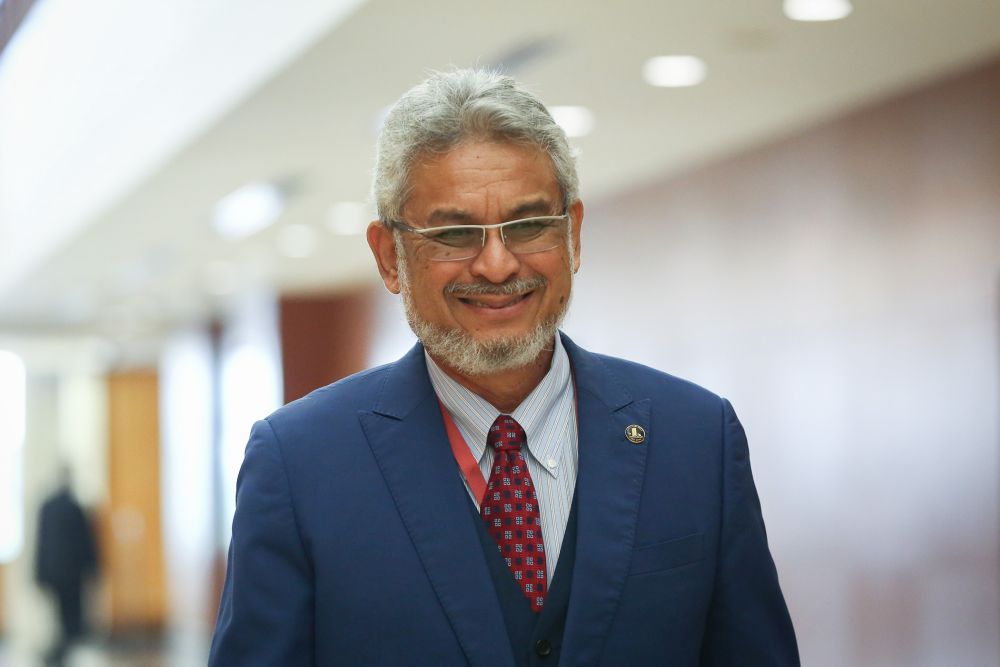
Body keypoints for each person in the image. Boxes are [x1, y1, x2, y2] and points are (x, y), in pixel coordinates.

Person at [210, 68, 799, 666]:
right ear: (391, 257)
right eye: (455, 233)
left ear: (572, 234)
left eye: (528, 224)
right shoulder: (300, 464)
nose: (496, 264)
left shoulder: (695, 437)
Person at [35, 468, 99, 667]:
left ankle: (64, 651)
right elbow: (85, 543)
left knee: (65, 616)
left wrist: (39, 573)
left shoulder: (51, 507)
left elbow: (42, 543)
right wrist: (93, 568)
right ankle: (63, 651)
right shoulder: (73, 507)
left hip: (57, 572)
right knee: (69, 616)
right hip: (70, 573)